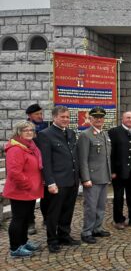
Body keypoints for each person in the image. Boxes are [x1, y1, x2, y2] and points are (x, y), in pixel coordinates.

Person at [38, 106, 81, 253]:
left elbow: (74, 156)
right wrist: (50, 182)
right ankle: (52, 240)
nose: (65, 120)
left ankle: (64, 235)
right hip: (57, 181)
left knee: (68, 210)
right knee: (53, 212)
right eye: (62, 117)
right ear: (54, 117)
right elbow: (46, 161)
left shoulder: (71, 133)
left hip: (72, 179)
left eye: (67, 117)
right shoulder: (45, 134)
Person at [3, 121, 44, 257]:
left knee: (26, 218)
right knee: (18, 219)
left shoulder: (31, 146)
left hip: (30, 190)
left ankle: (23, 242)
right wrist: (28, 185)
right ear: (18, 132)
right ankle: (15, 248)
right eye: (25, 130)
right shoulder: (16, 149)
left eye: (31, 130)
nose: (29, 132)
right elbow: (14, 172)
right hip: (20, 190)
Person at [77, 107, 112, 244]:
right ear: (90, 119)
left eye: (101, 118)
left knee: (101, 206)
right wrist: (85, 178)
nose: (98, 120)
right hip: (92, 179)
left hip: (103, 176)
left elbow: (107, 157)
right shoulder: (85, 135)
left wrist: (109, 175)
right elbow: (83, 159)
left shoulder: (104, 134)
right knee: (90, 207)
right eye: (95, 117)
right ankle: (86, 231)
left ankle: (97, 228)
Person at [108, 111, 131, 229]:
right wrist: (112, 171)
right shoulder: (114, 132)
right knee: (118, 197)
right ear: (122, 119)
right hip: (119, 172)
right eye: (128, 117)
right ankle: (118, 220)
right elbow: (111, 154)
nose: (130, 120)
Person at [25, 103, 49, 235]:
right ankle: (30, 222)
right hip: (32, 166)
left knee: (46, 194)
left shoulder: (46, 125)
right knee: (31, 196)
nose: (40, 116)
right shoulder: (25, 128)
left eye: (41, 113)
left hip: (45, 165)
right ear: (30, 115)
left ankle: (46, 219)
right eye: (37, 114)